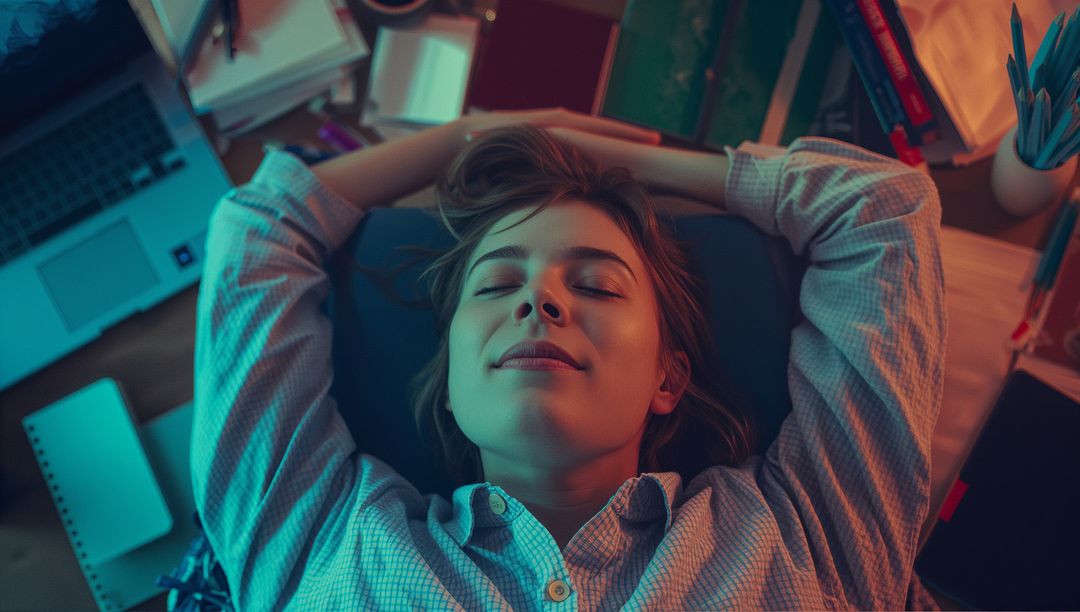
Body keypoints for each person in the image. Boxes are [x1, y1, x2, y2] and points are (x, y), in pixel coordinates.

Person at [191, 108, 946, 610]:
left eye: (595, 285)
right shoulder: (322, 540)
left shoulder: (806, 535)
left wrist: (606, 157)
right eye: (496, 285)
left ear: (667, 376)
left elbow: (882, 209)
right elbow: (256, 225)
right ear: (449, 380)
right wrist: (476, 133)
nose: (538, 301)